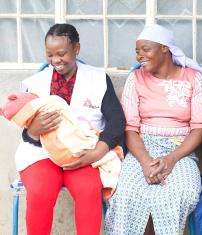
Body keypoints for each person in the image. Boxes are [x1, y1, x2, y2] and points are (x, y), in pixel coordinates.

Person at [15, 23, 125, 235]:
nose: (56, 60)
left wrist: (97, 152)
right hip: (42, 154)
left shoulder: (98, 79)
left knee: (88, 190)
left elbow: (117, 121)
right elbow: (25, 128)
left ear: (77, 49)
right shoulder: (33, 84)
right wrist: (33, 131)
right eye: (50, 54)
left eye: (62, 53)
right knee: (39, 191)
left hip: (83, 154)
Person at [105, 24, 202, 235]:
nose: (139, 56)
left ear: (165, 48)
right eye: (137, 51)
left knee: (178, 193)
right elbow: (131, 128)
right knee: (126, 195)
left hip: (181, 150)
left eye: (145, 49)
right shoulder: (136, 78)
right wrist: (145, 163)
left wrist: (171, 159)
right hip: (141, 148)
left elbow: (199, 128)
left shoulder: (192, 79)